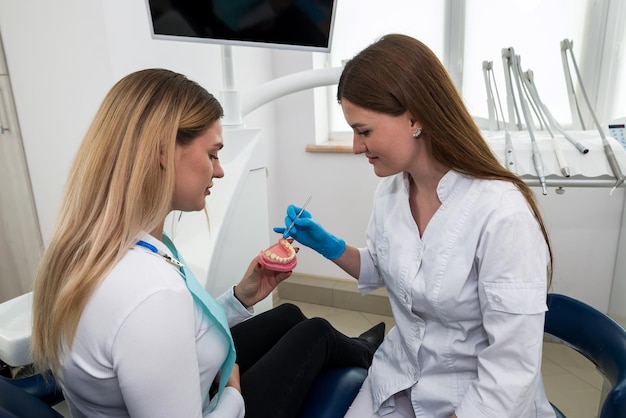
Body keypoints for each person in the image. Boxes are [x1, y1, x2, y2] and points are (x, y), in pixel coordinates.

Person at [30, 68, 385, 418]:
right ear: (164, 152)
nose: (220, 170)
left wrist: (240, 297)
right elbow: (160, 316)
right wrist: (233, 389)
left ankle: (359, 347)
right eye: (212, 154)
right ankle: (372, 356)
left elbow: (179, 326)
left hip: (181, 387)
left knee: (289, 314)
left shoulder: (98, 244)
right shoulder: (149, 295)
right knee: (316, 334)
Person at [275, 34, 556, 417]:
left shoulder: (502, 214)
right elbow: (386, 268)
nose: (357, 147)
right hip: (396, 377)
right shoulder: (391, 192)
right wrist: (329, 246)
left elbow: (511, 371)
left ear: (415, 117)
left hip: (475, 400)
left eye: (364, 131)